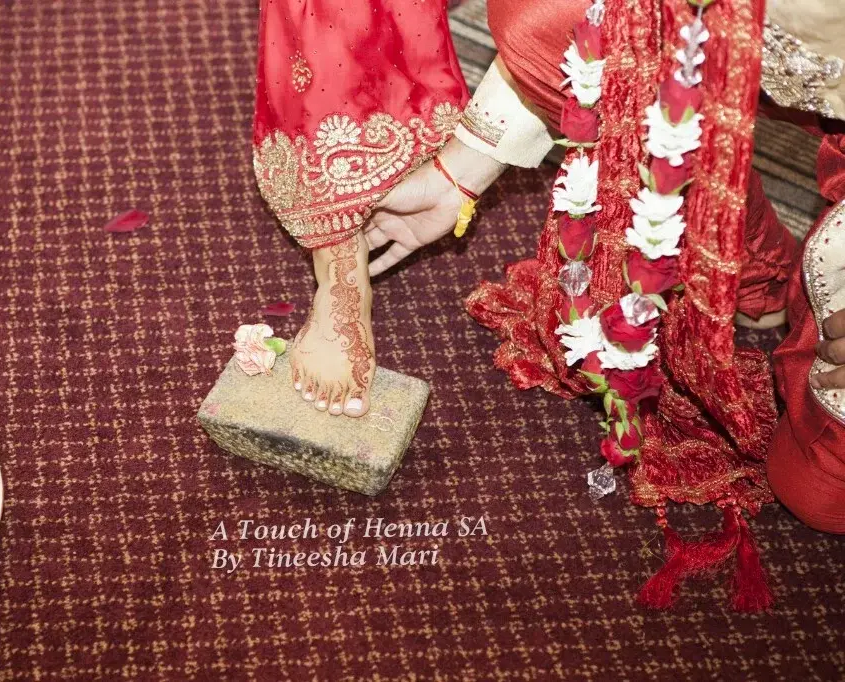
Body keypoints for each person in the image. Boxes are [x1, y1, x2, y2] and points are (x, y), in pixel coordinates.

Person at [251, 0, 845, 606]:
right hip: (701, 35)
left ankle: (761, 255)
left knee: (819, 493)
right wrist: (461, 171)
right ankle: (340, 244)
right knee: (549, 18)